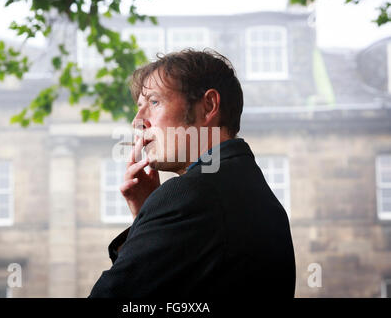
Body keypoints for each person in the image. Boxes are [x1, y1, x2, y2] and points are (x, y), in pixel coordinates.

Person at [89, 49, 296, 299]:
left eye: (153, 102)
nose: (138, 121)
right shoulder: (262, 199)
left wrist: (153, 213)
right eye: (139, 107)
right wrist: (147, 216)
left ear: (208, 106)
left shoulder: (187, 195)